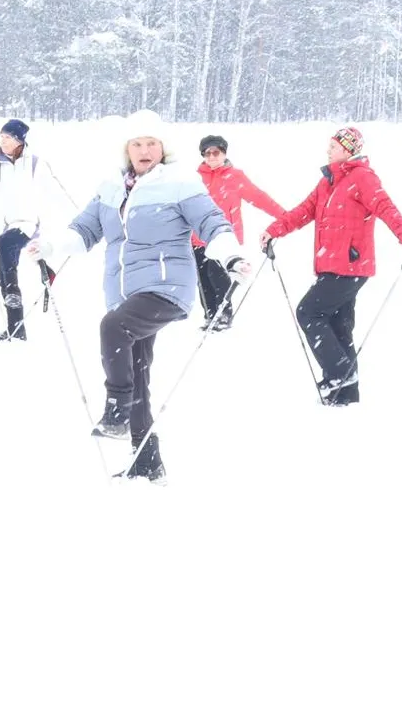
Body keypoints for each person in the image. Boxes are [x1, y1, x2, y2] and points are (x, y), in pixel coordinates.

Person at [28, 111, 247, 483]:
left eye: (151, 143)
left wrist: (230, 254)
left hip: (166, 288)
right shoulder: (111, 187)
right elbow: (84, 230)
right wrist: (50, 246)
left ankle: (116, 407)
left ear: (163, 149)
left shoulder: (180, 183)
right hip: (125, 293)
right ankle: (146, 461)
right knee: (138, 373)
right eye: (137, 144)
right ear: (126, 150)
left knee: (113, 328)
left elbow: (212, 223)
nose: (144, 150)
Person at [264, 126, 402, 406]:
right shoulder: (328, 181)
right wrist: (274, 230)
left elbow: (386, 207)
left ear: (349, 150)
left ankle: (338, 374)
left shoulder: (362, 177)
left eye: (333, 147)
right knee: (339, 325)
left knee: (308, 312)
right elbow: (303, 211)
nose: (328, 151)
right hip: (330, 265)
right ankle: (345, 395)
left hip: (351, 265)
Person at [0, 118, 76, 342]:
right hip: (7, 223)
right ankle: (16, 330)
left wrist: (80, 220)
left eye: (7, 137)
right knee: (4, 271)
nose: (3, 141)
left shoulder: (36, 163)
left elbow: (57, 190)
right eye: (1, 137)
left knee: (4, 246)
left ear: (19, 140)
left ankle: (14, 293)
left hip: (30, 223)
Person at [194, 133, 286, 331]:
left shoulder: (234, 177)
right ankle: (210, 315)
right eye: (207, 153)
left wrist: (284, 216)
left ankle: (224, 314)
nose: (211, 157)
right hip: (198, 237)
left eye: (215, 152)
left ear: (224, 153)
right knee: (202, 280)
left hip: (223, 238)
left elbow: (259, 197)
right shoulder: (195, 178)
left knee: (217, 275)